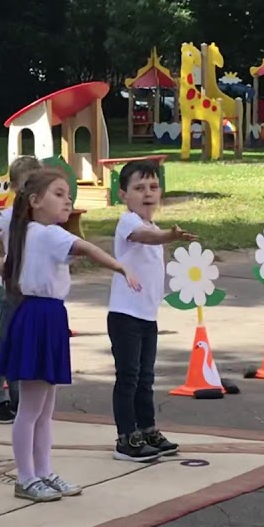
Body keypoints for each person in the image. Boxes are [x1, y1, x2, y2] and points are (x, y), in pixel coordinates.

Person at [0, 168, 141, 503]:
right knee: (33, 409)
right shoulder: (46, 234)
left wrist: (0, 264)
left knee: (43, 409)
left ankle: (43, 472)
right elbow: (87, 248)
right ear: (34, 201)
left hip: (45, 317)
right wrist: (121, 267)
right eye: (58, 194)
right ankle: (27, 477)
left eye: (68, 194)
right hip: (39, 318)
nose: (68, 200)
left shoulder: (26, 229)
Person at [106, 160, 195, 463]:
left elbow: (153, 236)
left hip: (146, 318)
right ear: (123, 194)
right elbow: (147, 237)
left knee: (145, 378)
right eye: (139, 188)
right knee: (128, 378)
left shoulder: (154, 226)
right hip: (125, 316)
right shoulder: (128, 222)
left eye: (153, 187)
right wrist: (169, 236)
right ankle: (126, 438)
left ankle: (147, 430)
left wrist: (165, 234)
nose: (148, 193)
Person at [0, 155, 43, 424]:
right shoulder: (7, 217)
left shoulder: (44, 218)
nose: (32, 191)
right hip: (13, 292)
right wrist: (1, 263)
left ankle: (20, 398)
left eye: (37, 183)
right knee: (6, 343)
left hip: (36, 294)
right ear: (15, 187)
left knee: (27, 345)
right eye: (27, 184)